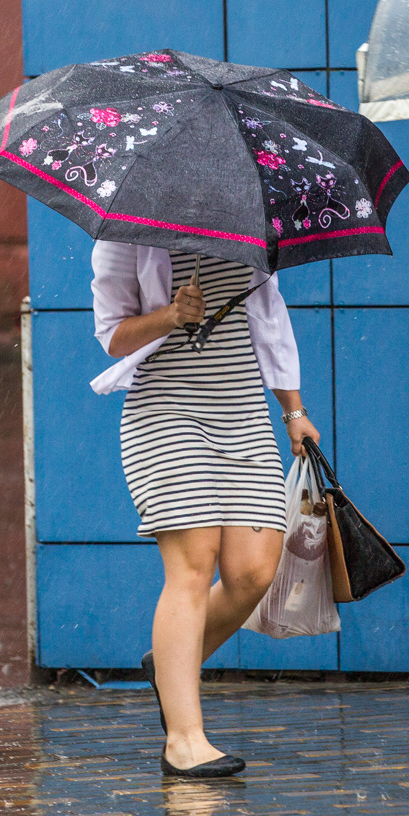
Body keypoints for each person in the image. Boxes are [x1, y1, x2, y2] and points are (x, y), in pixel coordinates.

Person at [91, 243, 320, 776]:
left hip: (240, 412)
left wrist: (294, 412)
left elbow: (269, 318)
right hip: (165, 410)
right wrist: (170, 315)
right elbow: (112, 337)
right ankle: (185, 741)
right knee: (194, 565)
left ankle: (170, 662)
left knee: (255, 570)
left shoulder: (248, 228)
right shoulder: (124, 235)